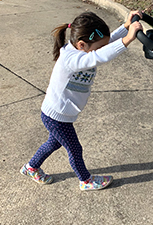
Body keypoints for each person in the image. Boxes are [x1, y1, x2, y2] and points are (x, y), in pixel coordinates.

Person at [20, 11, 143, 191]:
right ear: (82, 44)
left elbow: (103, 45)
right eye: (97, 47)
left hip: (60, 114)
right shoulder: (71, 58)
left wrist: (125, 27)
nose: (101, 49)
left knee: (53, 143)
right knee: (75, 149)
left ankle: (31, 167)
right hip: (57, 116)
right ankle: (85, 180)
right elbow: (99, 56)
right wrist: (127, 40)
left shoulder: (82, 48)